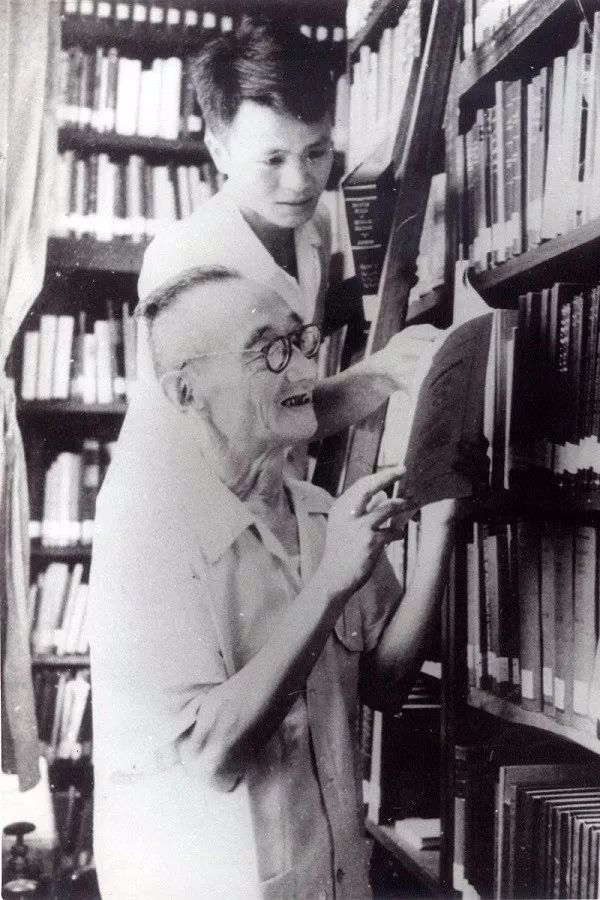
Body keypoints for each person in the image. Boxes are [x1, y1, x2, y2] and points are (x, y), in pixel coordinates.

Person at [90, 266, 460, 900]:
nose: (304, 371)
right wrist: (331, 582)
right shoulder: (147, 534)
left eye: (299, 341)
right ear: (186, 392)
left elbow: (385, 683)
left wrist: (444, 518)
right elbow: (211, 753)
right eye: (267, 352)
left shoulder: (320, 512)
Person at [137, 16, 440, 439]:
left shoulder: (314, 224)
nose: (301, 183)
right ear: (219, 152)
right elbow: (250, 430)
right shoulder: (185, 258)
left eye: (316, 152)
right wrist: (379, 374)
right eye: (273, 159)